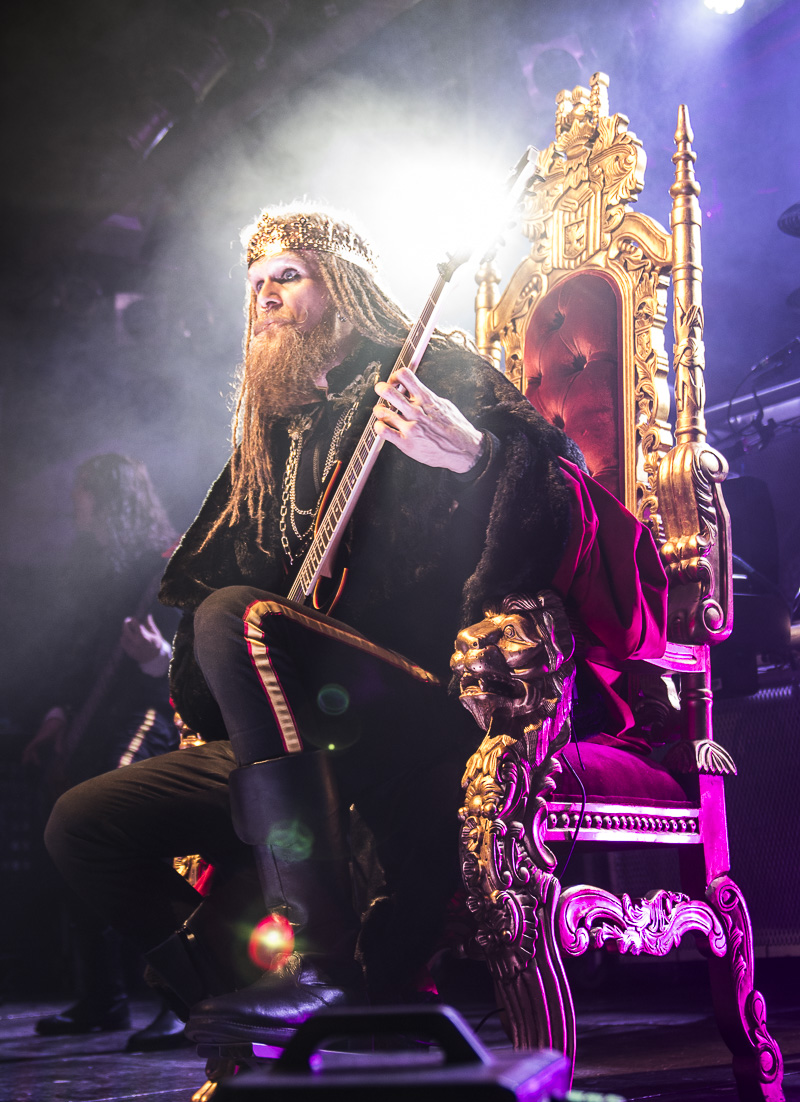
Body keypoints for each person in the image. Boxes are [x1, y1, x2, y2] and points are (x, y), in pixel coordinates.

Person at [44, 208, 667, 1049]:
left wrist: (476, 458)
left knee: (239, 615)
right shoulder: (272, 433)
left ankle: (322, 962)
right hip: (296, 733)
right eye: (255, 285)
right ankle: (232, 1002)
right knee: (81, 825)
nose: (265, 296)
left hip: (422, 701)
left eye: (287, 276)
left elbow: (562, 493)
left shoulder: (430, 368)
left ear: (341, 285)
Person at [24, 454, 183, 1046]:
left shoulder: (163, 564)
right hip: (94, 721)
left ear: (111, 498)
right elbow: (77, 657)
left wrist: (156, 658)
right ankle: (104, 996)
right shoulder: (88, 567)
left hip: (147, 715)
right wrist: (57, 717)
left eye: (85, 494)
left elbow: (188, 655)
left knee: (121, 836)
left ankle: (180, 993)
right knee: (70, 842)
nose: (76, 505)